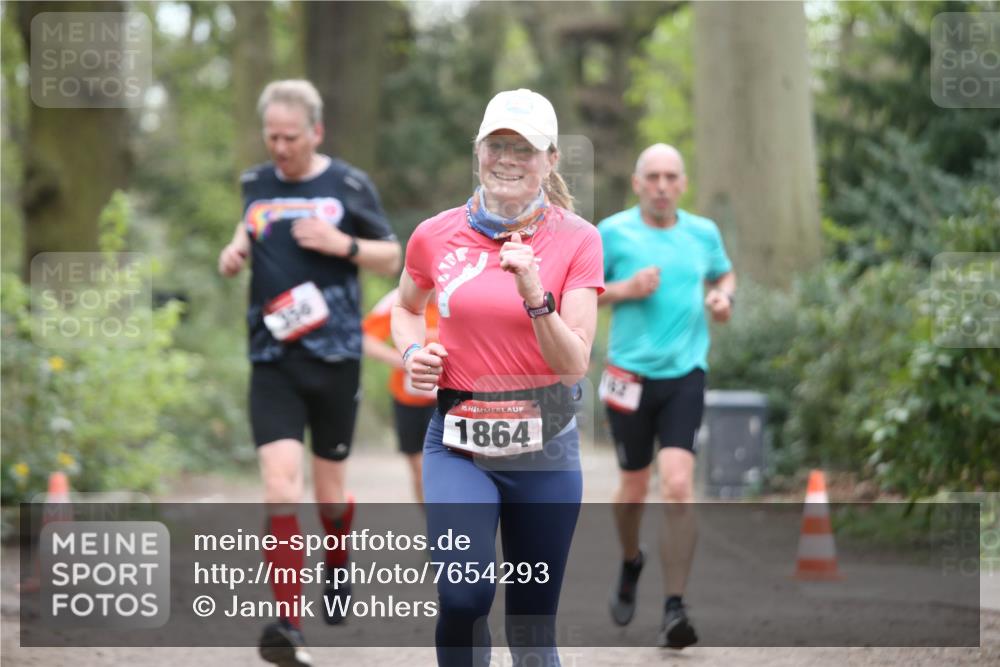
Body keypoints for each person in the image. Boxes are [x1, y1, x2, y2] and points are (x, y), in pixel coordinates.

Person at [390, 89, 604, 667]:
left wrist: (535, 293)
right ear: (478, 150)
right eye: (497, 145)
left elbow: (573, 362)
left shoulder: (579, 240)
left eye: (525, 149)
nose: (508, 159)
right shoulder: (434, 234)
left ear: (551, 160)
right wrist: (412, 353)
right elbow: (405, 308)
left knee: (532, 629)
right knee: (464, 595)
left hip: (546, 450)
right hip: (459, 443)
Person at [217, 79, 401, 666]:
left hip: (336, 354)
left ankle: (338, 563)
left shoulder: (347, 184)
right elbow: (249, 225)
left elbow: (391, 255)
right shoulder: (254, 182)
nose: (279, 148)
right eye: (271, 136)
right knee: (278, 482)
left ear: (315, 132)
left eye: (290, 137)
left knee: (328, 490)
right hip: (272, 357)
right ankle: (287, 624)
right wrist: (235, 250)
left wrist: (341, 243)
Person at [597, 143, 735, 649]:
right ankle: (632, 559)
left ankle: (674, 607)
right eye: (651, 176)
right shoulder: (611, 232)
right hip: (627, 376)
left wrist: (724, 297)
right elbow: (577, 291)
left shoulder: (703, 233)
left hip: (684, 374)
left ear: (682, 183)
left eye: (670, 176)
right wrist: (625, 289)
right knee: (632, 489)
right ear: (637, 183)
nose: (661, 185)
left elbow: (723, 272)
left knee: (678, 484)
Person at [361, 287, 440, 502]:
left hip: (450, 399)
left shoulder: (462, 293)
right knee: (419, 470)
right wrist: (404, 359)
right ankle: (435, 527)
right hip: (408, 397)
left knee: (441, 469)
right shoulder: (399, 298)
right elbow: (365, 339)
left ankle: (449, 525)